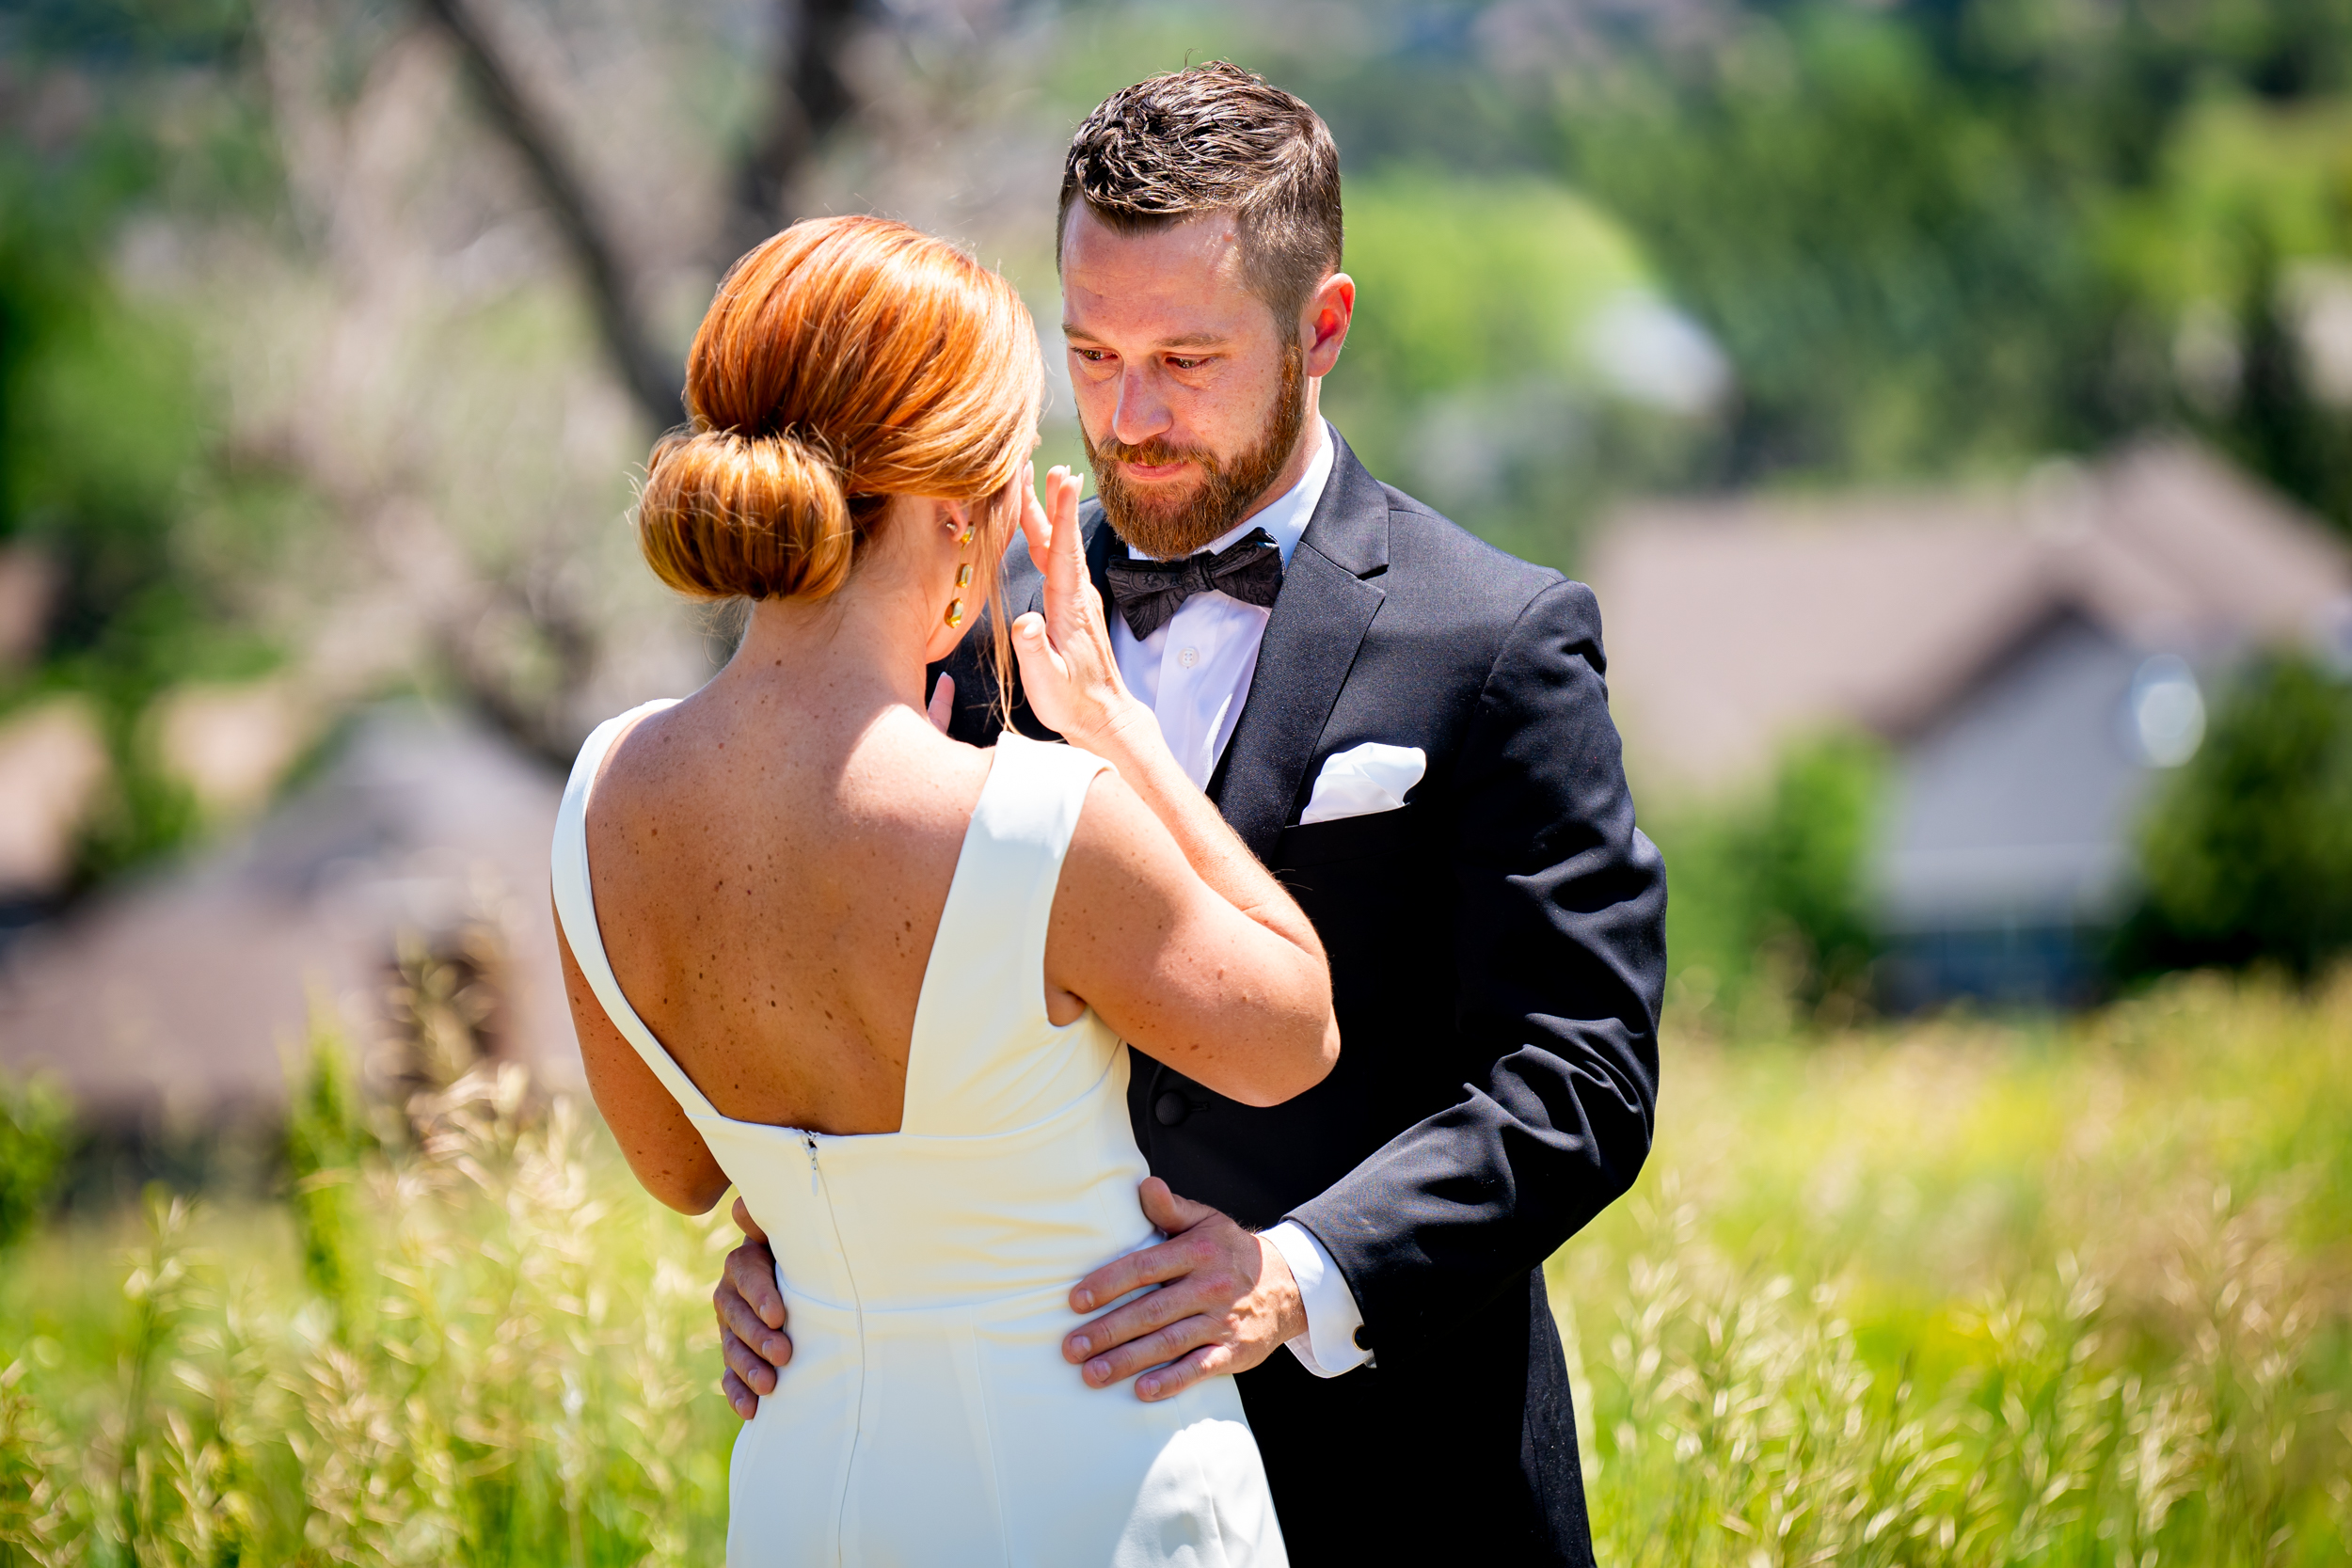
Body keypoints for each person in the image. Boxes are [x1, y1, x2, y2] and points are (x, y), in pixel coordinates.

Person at [711, 64, 1669, 1567]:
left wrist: (1300, 1276)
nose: (1128, 417)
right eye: (1090, 353)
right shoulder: (955, 624)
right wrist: (803, 1246)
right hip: (1049, 1490)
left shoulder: (1498, 638)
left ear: (1323, 330)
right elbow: (861, 979)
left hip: (1405, 1488)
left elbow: (1581, 1081)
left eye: (1187, 358)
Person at [551, 213, 1342, 1565]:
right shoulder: (1040, 821)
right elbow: (1292, 1033)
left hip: (815, 1500)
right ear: (967, 509)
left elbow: (687, 1174)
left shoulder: (600, 796)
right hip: (1101, 1495)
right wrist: (1123, 745)